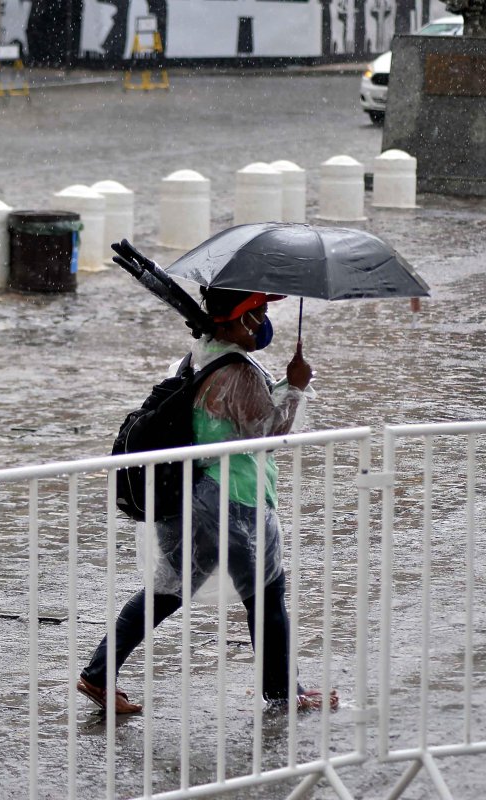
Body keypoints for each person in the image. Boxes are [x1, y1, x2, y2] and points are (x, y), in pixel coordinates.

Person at [77, 287, 339, 714]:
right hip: (233, 499)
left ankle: (98, 674)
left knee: (167, 592)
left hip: (194, 498)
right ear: (239, 318)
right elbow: (270, 434)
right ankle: (284, 693)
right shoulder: (237, 373)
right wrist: (295, 387)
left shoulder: (201, 356)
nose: (265, 321)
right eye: (260, 313)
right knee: (267, 593)